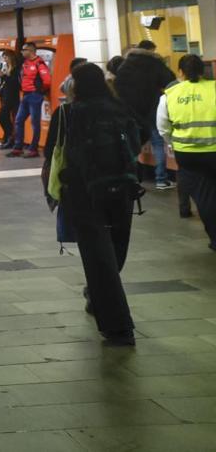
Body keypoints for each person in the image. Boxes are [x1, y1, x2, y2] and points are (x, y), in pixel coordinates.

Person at [42, 64, 141, 347]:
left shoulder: (67, 113)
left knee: (99, 259)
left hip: (83, 193)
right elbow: (136, 142)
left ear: (76, 87)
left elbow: (52, 153)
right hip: (122, 188)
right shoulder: (120, 108)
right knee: (115, 251)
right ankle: (98, 295)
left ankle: (119, 328)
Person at [158, 54, 216, 248]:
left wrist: (173, 142)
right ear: (203, 70)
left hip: (188, 154)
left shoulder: (170, 94)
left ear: (180, 71)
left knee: (204, 195)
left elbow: (162, 127)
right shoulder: (214, 88)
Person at [115, 40, 177, 190]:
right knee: (157, 144)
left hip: (131, 113)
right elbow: (171, 80)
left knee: (133, 144)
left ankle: (133, 178)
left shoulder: (125, 65)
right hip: (153, 110)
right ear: (151, 49)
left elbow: (118, 86)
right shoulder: (155, 63)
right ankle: (161, 179)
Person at [7, 42, 52, 160]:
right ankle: (18, 147)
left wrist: (39, 91)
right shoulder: (25, 63)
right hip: (25, 95)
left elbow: (47, 81)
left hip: (34, 96)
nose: (22, 52)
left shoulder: (39, 63)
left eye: (24, 50)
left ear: (31, 51)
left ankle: (33, 149)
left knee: (35, 123)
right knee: (18, 120)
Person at [0, 52, 22, 150]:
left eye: (6, 57)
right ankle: (8, 137)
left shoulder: (16, 69)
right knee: (4, 117)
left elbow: (14, 83)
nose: (4, 59)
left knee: (1, 117)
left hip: (12, 97)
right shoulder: (5, 68)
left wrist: (3, 76)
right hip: (5, 95)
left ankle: (10, 137)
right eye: (3, 58)